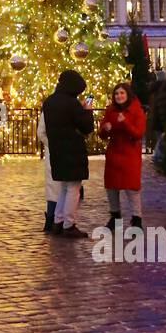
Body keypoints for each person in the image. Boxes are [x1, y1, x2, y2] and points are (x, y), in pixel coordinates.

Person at [41, 69, 95, 239]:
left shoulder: (49, 102)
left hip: (57, 149)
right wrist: (87, 110)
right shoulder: (72, 104)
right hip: (72, 149)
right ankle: (69, 224)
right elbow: (86, 127)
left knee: (64, 187)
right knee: (73, 188)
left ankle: (58, 221)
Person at [99, 82, 147, 231]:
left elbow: (138, 133)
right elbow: (102, 134)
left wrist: (124, 122)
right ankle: (115, 217)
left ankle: (136, 219)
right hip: (114, 154)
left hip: (129, 154)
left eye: (122, 93)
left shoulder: (136, 111)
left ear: (127, 95)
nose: (119, 96)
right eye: (116, 93)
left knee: (132, 188)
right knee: (112, 187)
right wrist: (105, 129)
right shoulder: (110, 110)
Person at [36, 110, 57, 232]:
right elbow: (41, 132)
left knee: (57, 188)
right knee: (56, 188)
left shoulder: (50, 107)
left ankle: (52, 219)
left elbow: (41, 132)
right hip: (55, 152)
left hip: (57, 151)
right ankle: (51, 218)